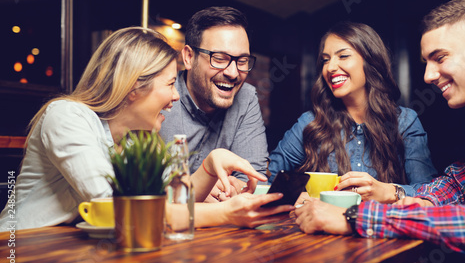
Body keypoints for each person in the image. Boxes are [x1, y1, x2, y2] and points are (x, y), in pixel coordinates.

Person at [0, 27, 293, 231]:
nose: (176, 96)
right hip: (19, 254)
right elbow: (119, 210)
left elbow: (170, 205)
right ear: (133, 88)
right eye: (169, 85)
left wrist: (207, 166)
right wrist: (225, 214)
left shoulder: (136, 142)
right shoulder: (66, 117)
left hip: (75, 255)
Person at [294, 0, 465, 257]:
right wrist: (406, 196)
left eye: (440, 57)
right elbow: (460, 182)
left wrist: (354, 217)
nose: (428, 76)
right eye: (427, 63)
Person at [269, 21, 436, 203]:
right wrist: (294, 196)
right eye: (326, 59)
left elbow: (428, 193)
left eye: (343, 56)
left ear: (370, 61)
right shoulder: (310, 123)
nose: (330, 67)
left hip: (377, 229)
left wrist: (388, 191)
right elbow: (267, 180)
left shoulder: (405, 121)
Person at [159, 6, 268, 202]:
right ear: (189, 57)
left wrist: (229, 190)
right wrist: (199, 186)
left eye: (242, 61)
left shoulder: (247, 97)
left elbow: (254, 179)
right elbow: (142, 185)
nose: (233, 73)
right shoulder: (160, 95)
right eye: (219, 59)